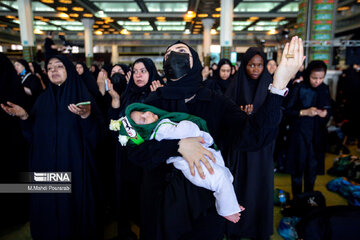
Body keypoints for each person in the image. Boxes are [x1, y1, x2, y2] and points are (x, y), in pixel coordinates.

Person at [123, 37, 304, 240]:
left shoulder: (215, 101)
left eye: (180, 51)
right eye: (167, 55)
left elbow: (254, 136)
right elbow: (134, 149)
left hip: (204, 206)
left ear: (195, 62)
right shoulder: (153, 102)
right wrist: (179, 146)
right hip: (161, 203)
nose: (172, 56)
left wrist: (278, 85)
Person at [1, 55, 104, 240]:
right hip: (47, 172)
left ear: (69, 71)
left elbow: (97, 139)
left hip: (74, 169)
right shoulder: (42, 102)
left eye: (59, 66)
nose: (53, 71)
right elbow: (32, 137)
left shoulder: (83, 98)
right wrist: (25, 117)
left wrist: (86, 118)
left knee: (72, 218)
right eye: (49, 68)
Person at [111, 102, 244, 223]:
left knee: (224, 176)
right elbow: (185, 130)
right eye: (143, 119)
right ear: (142, 131)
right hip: (191, 166)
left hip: (200, 154)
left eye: (143, 112)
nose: (147, 114)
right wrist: (188, 132)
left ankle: (230, 202)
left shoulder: (161, 124)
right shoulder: (159, 131)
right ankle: (228, 210)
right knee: (220, 177)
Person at [107, 58, 163, 240]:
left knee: (146, 201)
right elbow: (113, 125)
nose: (139, 75)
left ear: (152, 73)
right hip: (126, 157)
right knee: (127, 197)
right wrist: (115, 100)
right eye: (136, 71)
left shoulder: (159, 94)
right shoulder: (127, 95)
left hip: (147, 160)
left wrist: (157, 97)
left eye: (143, 71)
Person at [224, 47, 277, 240]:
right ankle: (236, 228)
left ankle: (258, 228)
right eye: (251, 65)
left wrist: (255, 117)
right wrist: (242, 116)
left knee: (259, 187)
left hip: (261, 149)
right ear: (244, 65)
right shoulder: (235, 86)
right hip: (240, 149)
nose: (255, 69)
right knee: (239, 187)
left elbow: (275, 116)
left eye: (259, 65)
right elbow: (225, 117)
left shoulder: (270, 85)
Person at [284, 60, 332, 197]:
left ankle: (309, 199)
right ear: (307, 74)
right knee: (298, 170)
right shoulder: (299, 88)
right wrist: (304, 112)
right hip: (299, 134)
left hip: (317, 136)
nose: (317, 81)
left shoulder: (324, 88)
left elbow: (329, 108)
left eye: (321, 78)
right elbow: (286, 111)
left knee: (312, 170)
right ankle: (297, 200)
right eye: (314, 78)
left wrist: (325, 113)